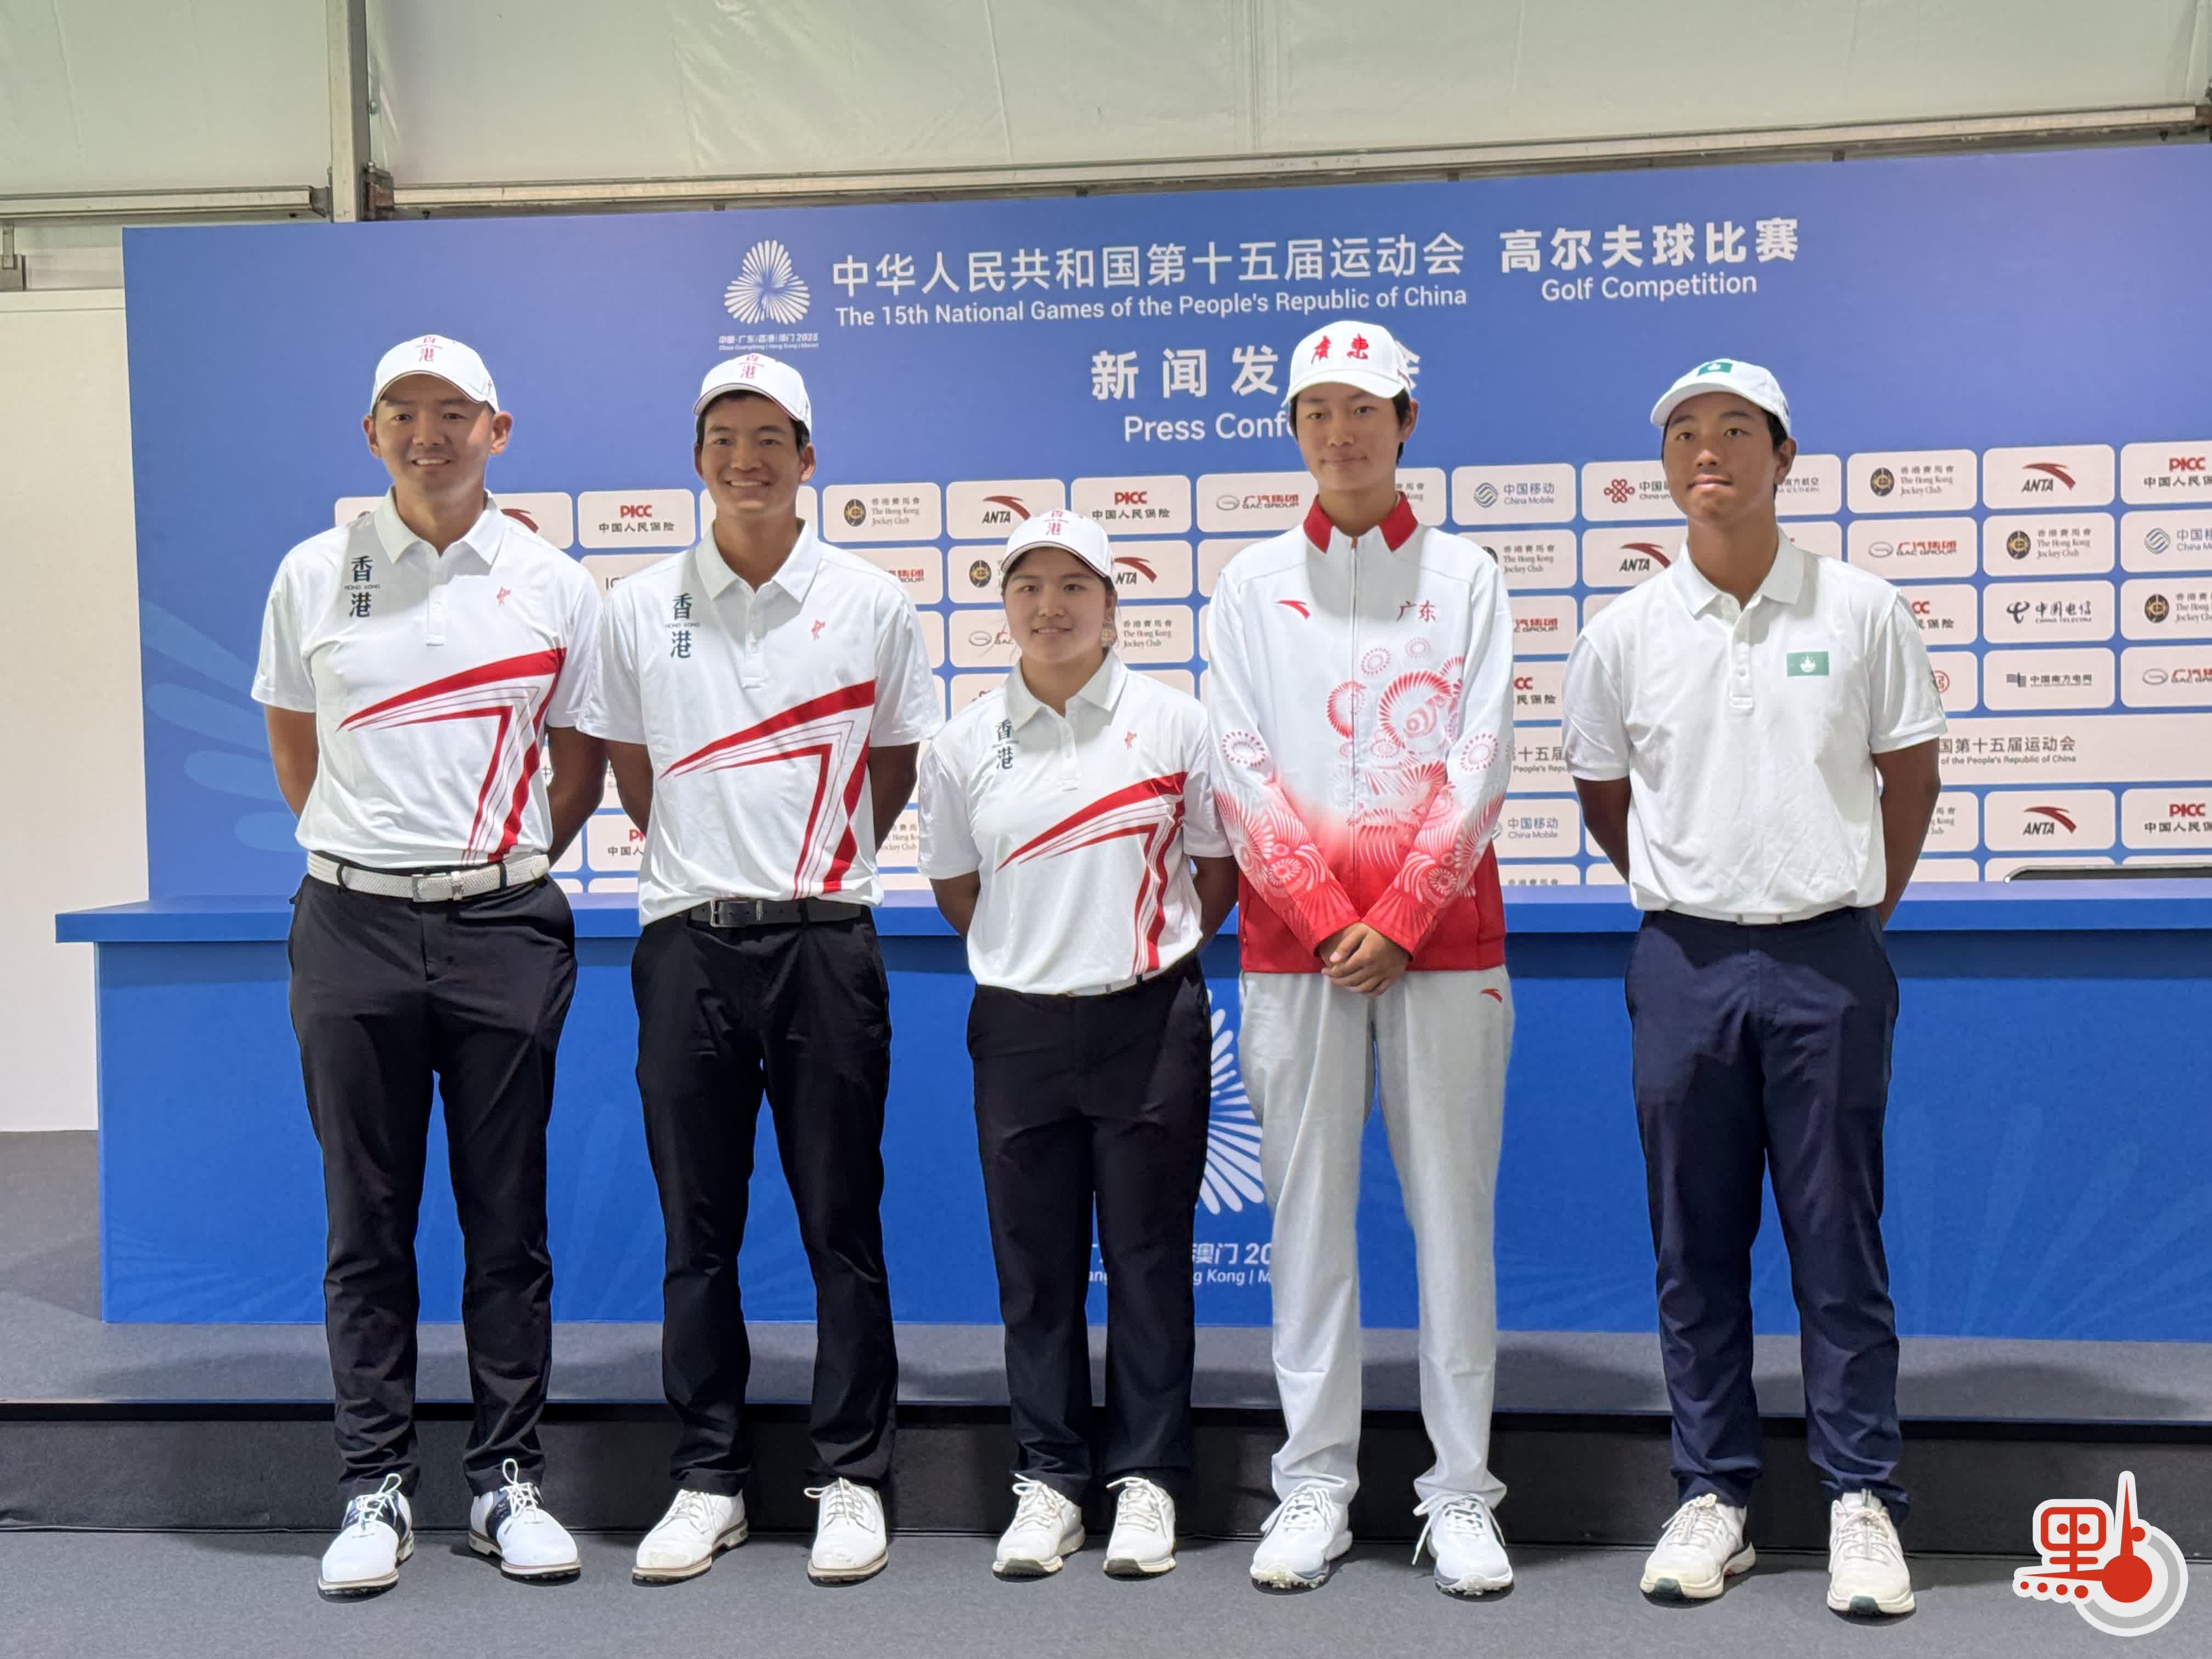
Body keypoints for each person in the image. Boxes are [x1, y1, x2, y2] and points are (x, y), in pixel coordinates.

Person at [1562, 358, 1944, 1617]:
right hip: (1684, 963)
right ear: (1666, 466)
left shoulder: (1863, 609)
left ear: (1784, 456)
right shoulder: (1625, 633)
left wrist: (1853, 910)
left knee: (1839, 1243)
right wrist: (1695, 888)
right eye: (1685, 434)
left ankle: (1861, 1498)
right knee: (1694, 1245)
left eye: (1736, 430)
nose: (1708, 452)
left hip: (1828, 958)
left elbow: (1909, 780)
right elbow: (1605, 796)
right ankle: (1714, 1492)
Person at [254, 333, 602, 1599]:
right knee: (368, 1219)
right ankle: (376, 1484)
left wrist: (493, 864)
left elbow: (579, 763)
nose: (428, 433)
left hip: (504, 927)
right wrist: (378, 856)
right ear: (371, 434)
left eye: (454, 411)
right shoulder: (313, 573)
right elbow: (297, 752)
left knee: (508, 1218)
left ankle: (508, 1480)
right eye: (403, 411)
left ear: (496, 432)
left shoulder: (555, 582)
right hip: (349, 927)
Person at [583, 353, 940, 1587]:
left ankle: (853, 1476)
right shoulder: (637, 606)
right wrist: (714, 864)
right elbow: (632, 772)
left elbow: (892, 766)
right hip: (688, 941)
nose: (747, 460)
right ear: (698, 459)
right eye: (724, 440)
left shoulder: (872, 601)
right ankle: (709, 1476)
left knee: (843, 1222)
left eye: (770, 439)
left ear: (808, 456)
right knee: (699, 1230)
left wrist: (811, 865)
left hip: (825, 940)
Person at [1205, 319, 1517, 1596]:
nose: (1341, 433)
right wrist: (1331, 913)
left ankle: (1462, 1493)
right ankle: (1315, 1485)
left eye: (1365, 410)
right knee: (1306, 1224)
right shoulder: (1248, 584)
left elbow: (1481, 758)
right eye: (1318, 411)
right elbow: (1238, 764)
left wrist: (1400, 915)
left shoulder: (1467, 577)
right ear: (1294, 429)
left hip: (1443, 946)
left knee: (1453, 1219)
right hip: (1298, 952)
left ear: (1407, 423)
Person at [917, 510, 1239, 1580]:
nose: (1049, 608)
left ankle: (1147, 1478)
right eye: (1028, 588)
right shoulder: (963, 743)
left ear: (1111, 604)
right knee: (1035, 1266)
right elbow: (958, 888)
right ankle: (1051, 1478)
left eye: (1073, 587)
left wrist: (1133, 953)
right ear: (1005, 607)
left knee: (1149, 1261)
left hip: (1149, 1019)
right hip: (1018, 1028)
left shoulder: (1175, 723)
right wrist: (1038, 955)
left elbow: (1216, 873)